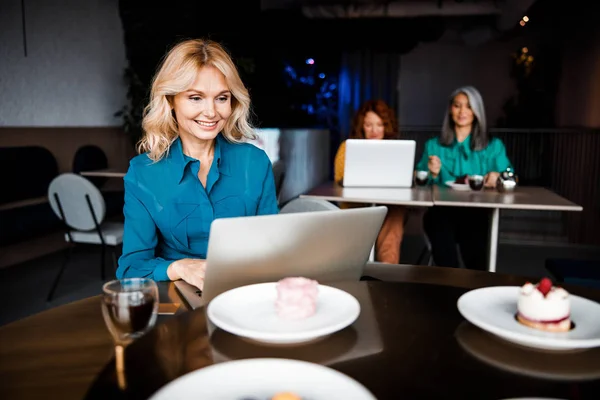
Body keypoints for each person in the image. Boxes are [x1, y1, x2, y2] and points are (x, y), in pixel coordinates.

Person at [116, 39, 279, 289]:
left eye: (221, 98)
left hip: (247, 291)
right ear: (171, 101)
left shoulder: (254, 162)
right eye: (196, 98)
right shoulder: (143, 172)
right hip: (178, 297)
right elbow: (131, 268)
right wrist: (178, 266)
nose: (211, 112)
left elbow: (274, 246)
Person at [416, 86, 512, 270]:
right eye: (457, 106)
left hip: (476, 213)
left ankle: (474, 290)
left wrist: (498, 178)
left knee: (475, 242)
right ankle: (449, 287)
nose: (462, 112)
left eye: (468, 106)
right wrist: (430, 173)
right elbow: (418, 182)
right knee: (441, 235)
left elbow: (510, 178)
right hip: (441, 213)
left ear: (477, 111)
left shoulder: (493, 146)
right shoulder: (433, 146)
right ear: (450, 109)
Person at [333, 99, 406, 264]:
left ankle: (387, 270)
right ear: (361, 126)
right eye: (368, 125)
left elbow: (405, 177)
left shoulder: (396, 150)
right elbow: (339, 180)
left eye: (379, 125)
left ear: (386, 126)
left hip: (387, 208)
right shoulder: (347, 147)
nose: (374, 130)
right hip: (355, 208)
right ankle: (352, 266)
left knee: (396, 212)